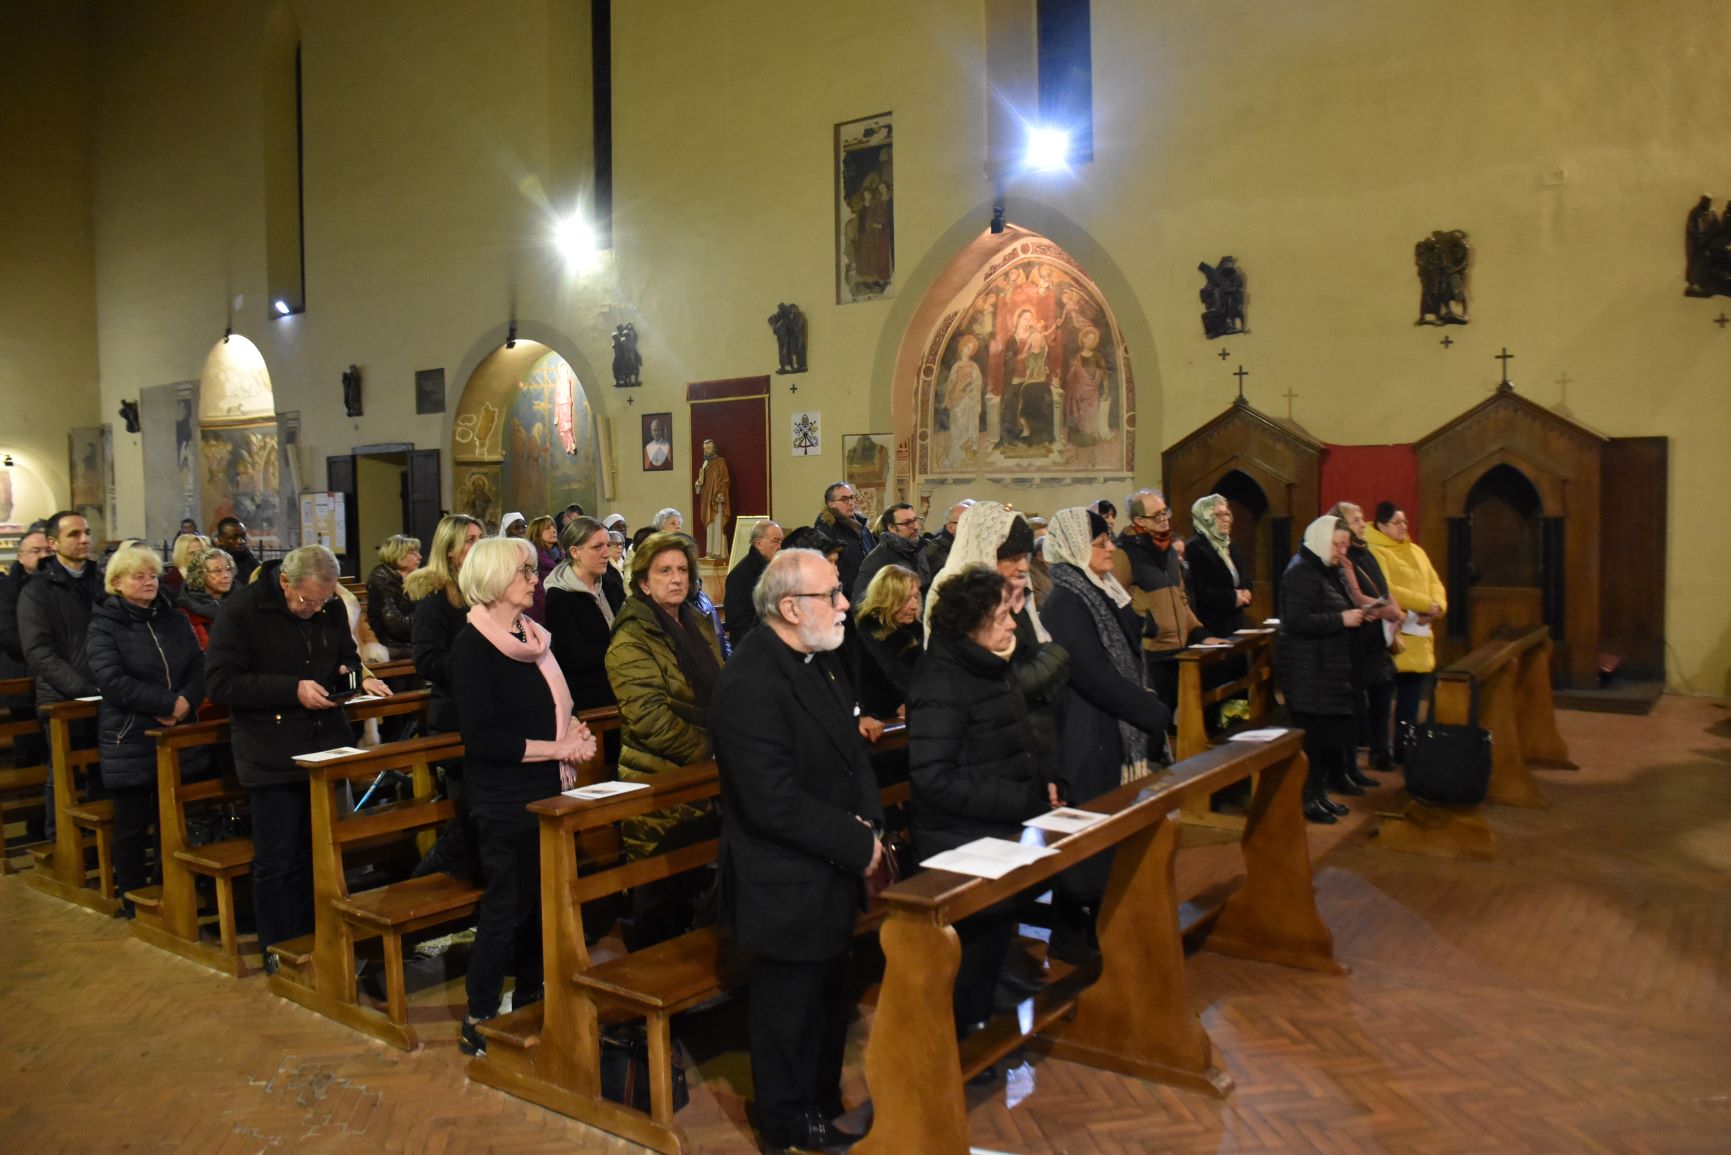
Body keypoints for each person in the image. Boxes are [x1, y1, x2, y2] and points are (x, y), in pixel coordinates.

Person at [709, 548, 884, 1153]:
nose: (845, 604)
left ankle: (822, 1101)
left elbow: (853, 754)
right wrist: (858, 841)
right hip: (783, 876)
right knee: (789, 1010)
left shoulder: (820, 660)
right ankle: (785, 1121)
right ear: (790, 607)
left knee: (829, 996)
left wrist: (872, 822)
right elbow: (771, 801)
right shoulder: (750, 681)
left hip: (827, 863)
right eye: (831, 594)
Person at [205, 545, 390, 968]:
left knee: (321, 854)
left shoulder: (327, 607)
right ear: (285, 581)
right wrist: (292, 689)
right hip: (271, 752)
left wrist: (354, 679)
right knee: (278, 859)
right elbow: (220, 683)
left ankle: (321, 940)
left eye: (323, 601)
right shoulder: (242, 611)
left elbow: (347, 657)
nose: (315, 609)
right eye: (308, 600)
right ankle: (280, 948)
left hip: (325, 746)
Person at [448, 537, 596, 1055]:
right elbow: (484, 739)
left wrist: (573, 731)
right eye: (524, 572)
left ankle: (533, 993)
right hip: (504, 798)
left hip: (548, 787)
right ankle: (479, 1014)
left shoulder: (530, 635)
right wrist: (558, 747)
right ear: (492, 580)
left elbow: (553, 705)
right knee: (507, 907)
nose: (535, 579)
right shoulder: (472, 648)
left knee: (542, 903)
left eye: (533, 570)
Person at [910, 565, 1055, 1036]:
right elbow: (933, 777)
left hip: (993, 832)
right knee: (971, 960)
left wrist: (1045, 780)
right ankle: (959, 1044)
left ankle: (982, 1031)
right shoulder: (942, 681)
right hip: (959, 841)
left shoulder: (990, 665)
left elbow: (1015, 738)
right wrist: (1019, 800)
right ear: (972, 623)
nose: (1013, 624)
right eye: (1002, 616)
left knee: (991, 947)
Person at [1039, 507, 1172, 958]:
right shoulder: (1065, 601)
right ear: (1077, 547)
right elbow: (1092, 674)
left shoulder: (1100, 591)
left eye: (1109, 540)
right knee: (1088, 839)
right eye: (1100, 543)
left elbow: (1131, 643)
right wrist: (1150, 711)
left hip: (1109, 728)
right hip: (1086, 733)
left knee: (1110, 834)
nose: (1111, 548)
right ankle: (1073, 937)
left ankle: (1109, 924)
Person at [604, 531, 723, 946]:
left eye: (682, 570)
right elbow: (648, 718)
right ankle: (649, 968)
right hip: (657, 777)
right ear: (643, 582)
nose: (676, 578)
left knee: (696, 881)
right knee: (659, 889)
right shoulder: (631, 637)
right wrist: (710, 752)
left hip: (703, 775)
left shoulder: (695, 621)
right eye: (664, 571)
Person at [86, 544, 207, 915]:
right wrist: (167, 704)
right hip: (130, 737)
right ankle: (133, 897)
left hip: (178, 733)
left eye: (153, 575)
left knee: (175, 820)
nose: (148, 582)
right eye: (138, 576)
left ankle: (174, 890)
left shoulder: (174, 618)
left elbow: (199, 665)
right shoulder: (104, 625)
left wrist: (186, 702)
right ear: (117, 582)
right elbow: (111, 680)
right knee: (132, 824)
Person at [925, 501, 1069, 768]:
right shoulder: (955, 595)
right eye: (1013, 559)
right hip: (984, 746)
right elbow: (999, 678)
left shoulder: (1016, 590)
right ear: (987, 553)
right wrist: (1058, 656)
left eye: (1026, 557)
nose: (1024, 567)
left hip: (1030, 738)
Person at [405, 514, 484, 881]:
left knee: (482, 818)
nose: (478, 545)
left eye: (481, 538)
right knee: (468, 819)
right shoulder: (435, 602)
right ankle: (425, 879)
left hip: (487, 715)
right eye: (470, 540)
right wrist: (473, 665)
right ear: (450, 551)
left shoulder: (483, 592)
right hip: (456, 717)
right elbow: (427, 661)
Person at [19, 511, 104, 836]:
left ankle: (100, 841)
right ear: (53, 543)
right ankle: (62, 840)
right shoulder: (37, 591)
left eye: (87, 532)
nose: (84, 539)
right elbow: (39, 651)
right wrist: (82, 689)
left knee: (103, 771)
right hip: (62, 698)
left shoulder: (101, 581)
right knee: (63, 773)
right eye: (74, 534)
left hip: (105, 692)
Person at [1276, 517, 1364, 823]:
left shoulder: (1325, 570)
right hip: (1308, 673)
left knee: (1326, 741)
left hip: (1326, 672)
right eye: (1338, 544)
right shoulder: (1301, 571)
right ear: (1321, 540)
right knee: (1312, 743)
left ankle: (1319, 794)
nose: (1342, 551)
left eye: (1346, 546)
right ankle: (1306, 799)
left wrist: (1355, 615)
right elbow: (1297, 620)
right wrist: (1342, 620)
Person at [1114, 488, 1223, 705]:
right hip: (1150, 655)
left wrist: (1200, 633)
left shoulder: (1169, 551)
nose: (1164, 519)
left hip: (1179, 651)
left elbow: (1181, 599)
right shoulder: (1124, 553)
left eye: (1165, 512)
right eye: (1157, 515)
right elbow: (1117, 603)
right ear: (1139, 521)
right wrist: (1147, 628)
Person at [1365, 502, 1447, 762]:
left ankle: (1405, 749)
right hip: (1392, 635)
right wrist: (1424, 604)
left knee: (1410, 701)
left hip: (1419, 636)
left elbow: (1435, 582)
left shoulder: (1417, 551)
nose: (1404, 526)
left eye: (1405, 521)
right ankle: (1380, 750)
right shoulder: (1375, 551)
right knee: (1382, 700)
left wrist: (1437, 606)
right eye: (1397, 522)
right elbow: (1387, 588)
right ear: (1381, 525)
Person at [1331, 502, 1403, 774]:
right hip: (1358, 639)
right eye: (1357, 520)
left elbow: (1382, 587)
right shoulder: (1344, 555)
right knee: (1359, 701)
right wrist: (1388, 610)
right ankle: (1354, 760)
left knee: (1384, 690)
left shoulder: (1365, 551)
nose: (1363, 524)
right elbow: (1355, 595)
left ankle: (1381, 750)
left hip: (1377, 637)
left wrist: (1394, 607)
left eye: (1362, 519)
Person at [543, 516, 617, 712]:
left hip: (621, 684)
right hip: (590, 696)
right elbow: (574, 657)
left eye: (608, 545)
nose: (606, 553)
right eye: (597, 547)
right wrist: (621, 650)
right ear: (575, 552)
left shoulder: (610, 582)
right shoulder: (559, 597)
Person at [1, 523, 53, 775]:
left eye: (48, 551)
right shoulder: (6, 590)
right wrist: (45, 654)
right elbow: (8, 635)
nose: (43, 556)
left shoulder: (59, 585)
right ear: (21, 557)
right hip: (23, 673)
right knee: (29, 747)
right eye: (36, 551)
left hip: (56, 677)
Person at [852, 563, 923, 720]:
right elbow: (868, 689)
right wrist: (895, 705)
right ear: (887, 598)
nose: (914, 606)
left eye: (915, 597)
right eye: (906, 599)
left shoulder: (920, 633)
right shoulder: (865, 640)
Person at [1184, 494, 1254, 637]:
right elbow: (1198, 590)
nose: (1226, 519)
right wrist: (1232, 598)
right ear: (1205, 518)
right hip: (1212, 625)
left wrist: (1247, 590)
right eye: (1219, 515)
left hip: (1236, 621)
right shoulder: (1195, 548)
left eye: (1227, 514)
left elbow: (1243, 577)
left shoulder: (1230, 545)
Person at [723, 519, 783, 648]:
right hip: (752, 648)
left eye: (781, 541)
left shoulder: (774, 570)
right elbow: (738, 623)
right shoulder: (739, 575)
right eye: (775, 541)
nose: (779, 547)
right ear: (758, 543)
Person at [852, 502, 926, 604]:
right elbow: (859, 602)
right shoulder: (877, 559)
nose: (915, 527)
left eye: (915, 520)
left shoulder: (920, 549)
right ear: (891, 528)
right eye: (907, 523)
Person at [810, 482, 875, 595]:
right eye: (844, 499)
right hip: (845, 595)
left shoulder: (861, 527)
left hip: (869, 593)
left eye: (851, 498)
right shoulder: (825, 530)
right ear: (830, 503)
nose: (850, 503)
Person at [365, 534, 421, 660]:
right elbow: (397, 626)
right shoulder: (380, 581)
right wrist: (425, 616)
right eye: (414, 553)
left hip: (411, 642)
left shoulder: (413, 579)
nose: (420, 557)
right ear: (398, 555)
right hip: (392, 645)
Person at [178, 545, 236, 649]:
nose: (226, 575)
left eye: (228, 569)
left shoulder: (242, 601)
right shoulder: (187, 610)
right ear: (200, 574)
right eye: (217, 571)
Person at [694, 439, 732, 559]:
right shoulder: (705, 464)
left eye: (709, 448)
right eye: (705, 448)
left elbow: (725, 480)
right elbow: (701, 480)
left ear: (714, 449)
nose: (706, 451)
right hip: (706, 498)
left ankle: (718, 553)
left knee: (717, 524)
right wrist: (698, 484)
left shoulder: (720, 462)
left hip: (717, 499)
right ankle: (709, 552)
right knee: (710, 524)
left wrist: (721, 493)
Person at [920, 499, 972, 576]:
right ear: (950, 527)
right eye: (966, 522)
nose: (972, 527)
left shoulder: (966, 549)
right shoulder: (936, 554)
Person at [526, 515, 560, 623]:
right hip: (544, 610)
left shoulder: (562, 554)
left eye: (554, 527)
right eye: (547, 528)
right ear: (536, 533)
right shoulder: (533, 558)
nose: (553, 530)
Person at [214, 517, 259, 584]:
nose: (241, 541)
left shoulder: (250, 559)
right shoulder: (214, 564)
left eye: (243, 536)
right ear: (220, 540)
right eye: (233, 538)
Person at [162, 532, 208, 596]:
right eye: (192, 553)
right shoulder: (170, 582)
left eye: (201, 552)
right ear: (181, 554)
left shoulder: (209, 576)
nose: (198, 556)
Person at [602, 530, 627, 613]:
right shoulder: (605, 568)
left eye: (621, 544)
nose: (619, 547)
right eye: (615, 544)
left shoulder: (626, 563)